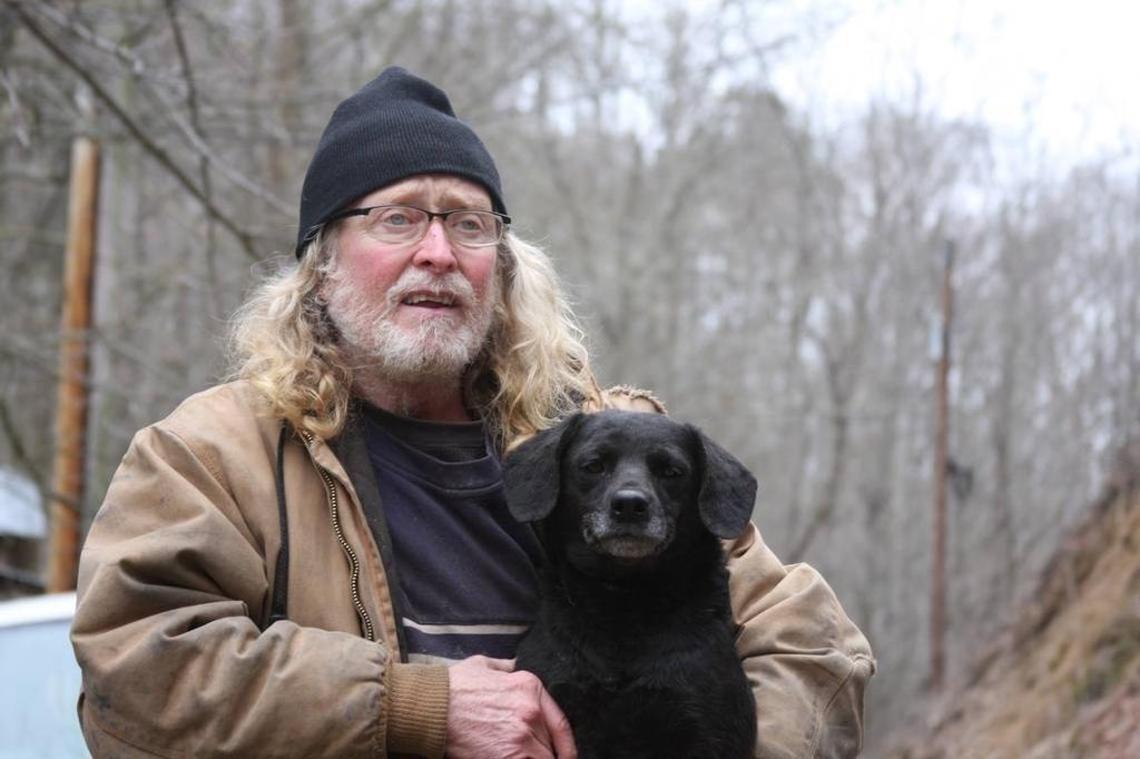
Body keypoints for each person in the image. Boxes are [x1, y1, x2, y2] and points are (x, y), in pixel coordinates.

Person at [70, 67, 875, 758]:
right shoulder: (211, 456)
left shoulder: (595, 439)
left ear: (504, 267)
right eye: (397, 218)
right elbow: (136, 668)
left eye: (469, 223)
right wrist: (416, 707)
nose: (439, 252)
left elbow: (814, 639)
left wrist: (725, 740)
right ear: (320, 264)